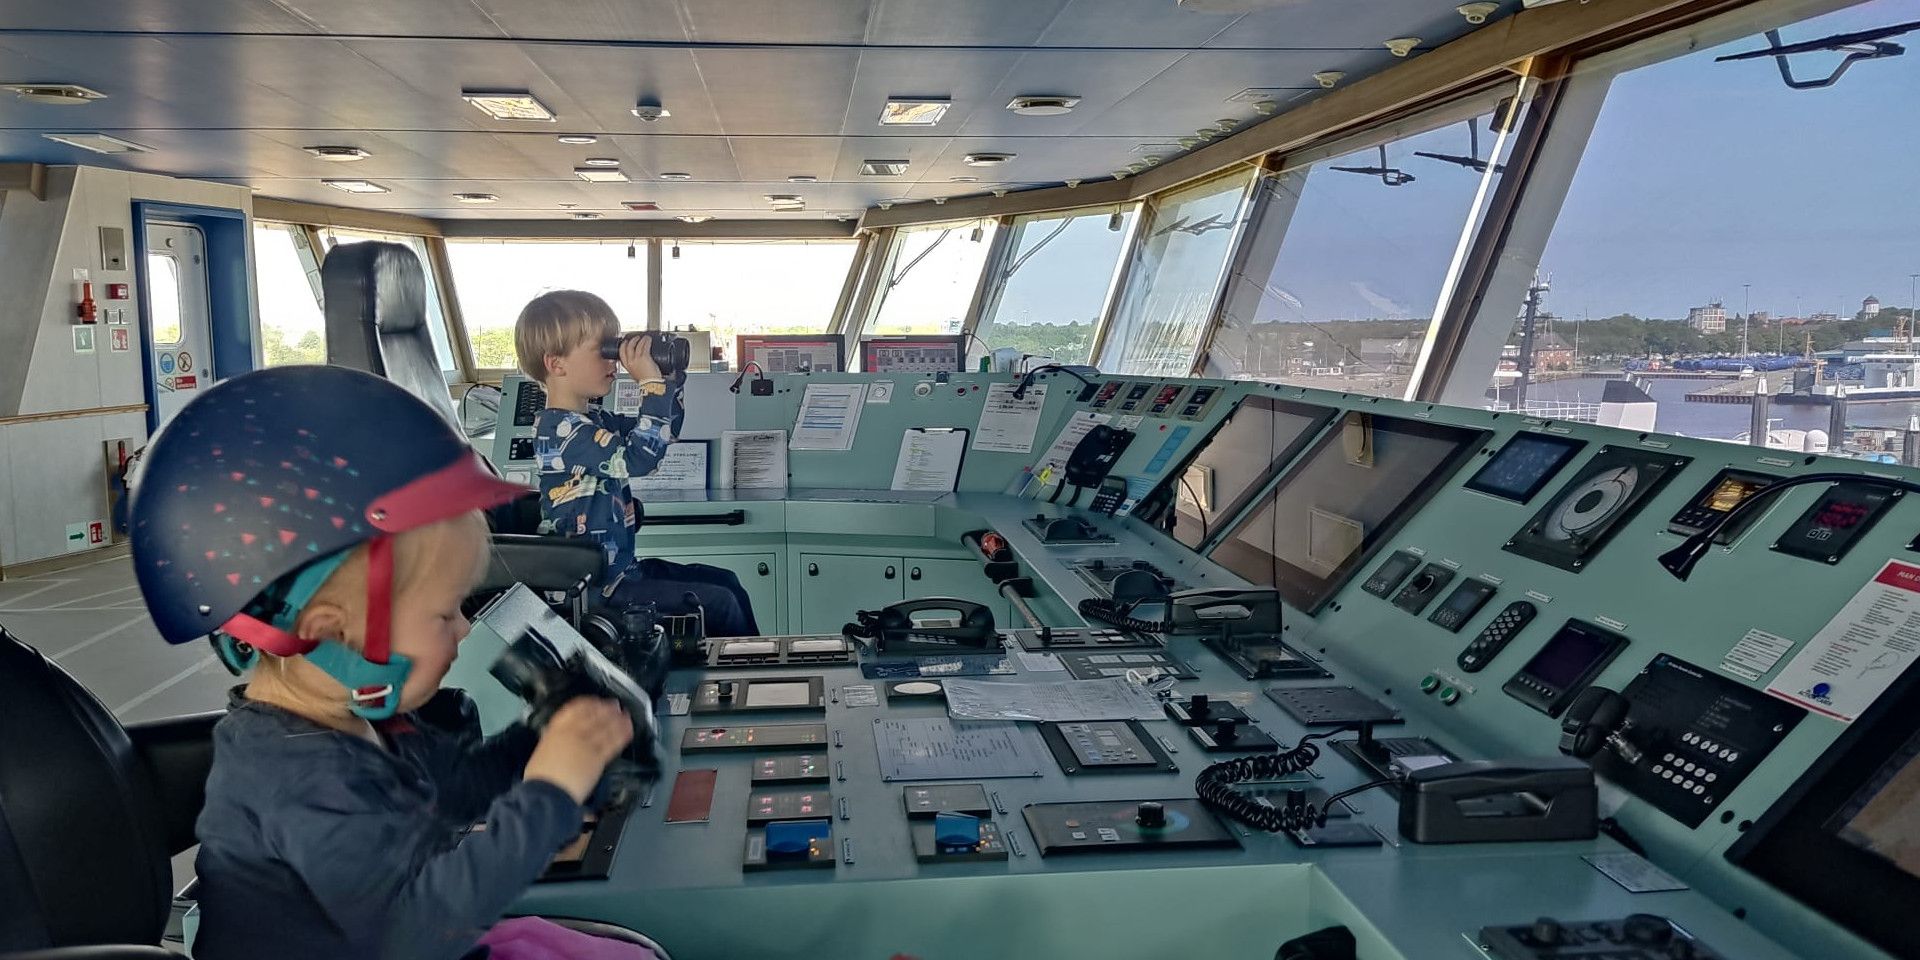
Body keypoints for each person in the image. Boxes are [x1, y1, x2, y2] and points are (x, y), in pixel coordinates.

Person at [129, 365, 649, 960]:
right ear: (332, 634)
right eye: (444, 612)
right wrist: (550, 795)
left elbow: (448, 794)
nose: (462, 627)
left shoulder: (356, 721)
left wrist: (539, 744)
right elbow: (413, 930)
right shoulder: (294, 777)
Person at [513, 289, 760, 637]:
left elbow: (664, 433)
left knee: (727, 583)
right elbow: (638, 459)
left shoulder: (594, 420)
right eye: (604, 352)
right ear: (556, 364)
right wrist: (649, 384)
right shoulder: (560, 431)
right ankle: (742, 682)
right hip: (596, 591)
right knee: (718, 603)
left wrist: (668, 378)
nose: (614, 362)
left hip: (623, 575)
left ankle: (757, 675)